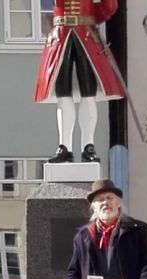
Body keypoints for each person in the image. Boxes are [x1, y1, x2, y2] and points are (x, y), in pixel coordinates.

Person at [34, 0, 125, 163]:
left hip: (85, 34)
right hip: (61, 34)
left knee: (88, 91)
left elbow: (109, 6)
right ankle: (65, 147)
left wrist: (93, 17)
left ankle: (87, 145)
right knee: (63, 91)